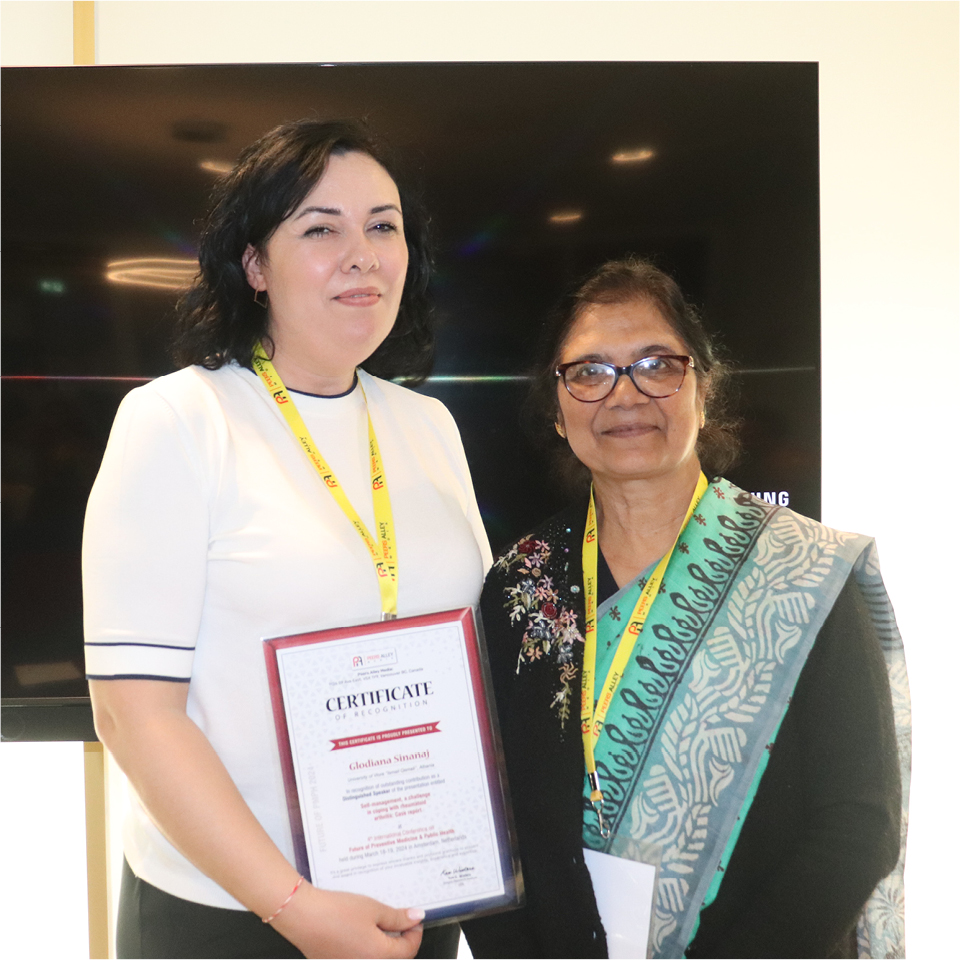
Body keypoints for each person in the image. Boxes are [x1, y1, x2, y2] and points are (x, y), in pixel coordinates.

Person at [83, 119, 491, 959]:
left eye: (383, 226)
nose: (363, 256)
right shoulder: (177, 420)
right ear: (255, 265)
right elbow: (133, 716)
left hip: (410, 893)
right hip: (232, 914)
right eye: (320, 229)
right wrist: (295, 907)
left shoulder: (427, 425)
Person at [461, 258, 909, 959]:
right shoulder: (521, 586)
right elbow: (486, 815)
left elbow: (859, 823)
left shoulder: (804, 571)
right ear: (556, 408)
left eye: (656, 365)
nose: (625, 394)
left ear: (703, 389)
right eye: (590, 371)